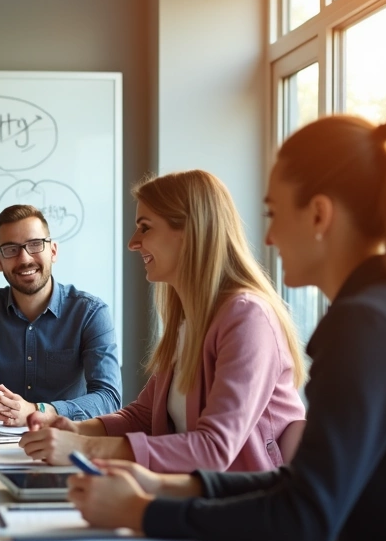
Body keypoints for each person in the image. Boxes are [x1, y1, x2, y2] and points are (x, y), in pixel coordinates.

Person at [68, 106, 386, 541]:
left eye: (275, 213)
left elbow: (304, 516)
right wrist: (167, 487)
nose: (271, 238)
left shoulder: (368, 322)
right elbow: (305, 486)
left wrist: (144, 513)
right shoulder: (385, 308)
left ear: (320, 214)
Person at [20, 170, 306, 472]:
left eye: (145, 228)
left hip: (243, 507)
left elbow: (214, 449)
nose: (133, 243)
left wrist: (85, 448)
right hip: (186, 495)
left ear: (190, 232)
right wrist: (77, 430)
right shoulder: (187, 320)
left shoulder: (247, 317)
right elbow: (143, 417)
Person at [0, 204, 122, 426]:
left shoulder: (91, 313)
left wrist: (37, 411)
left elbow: (108, 398)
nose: (24, 258)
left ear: (53, 251)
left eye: (35, 244)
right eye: (10, 249)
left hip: (68, 441)